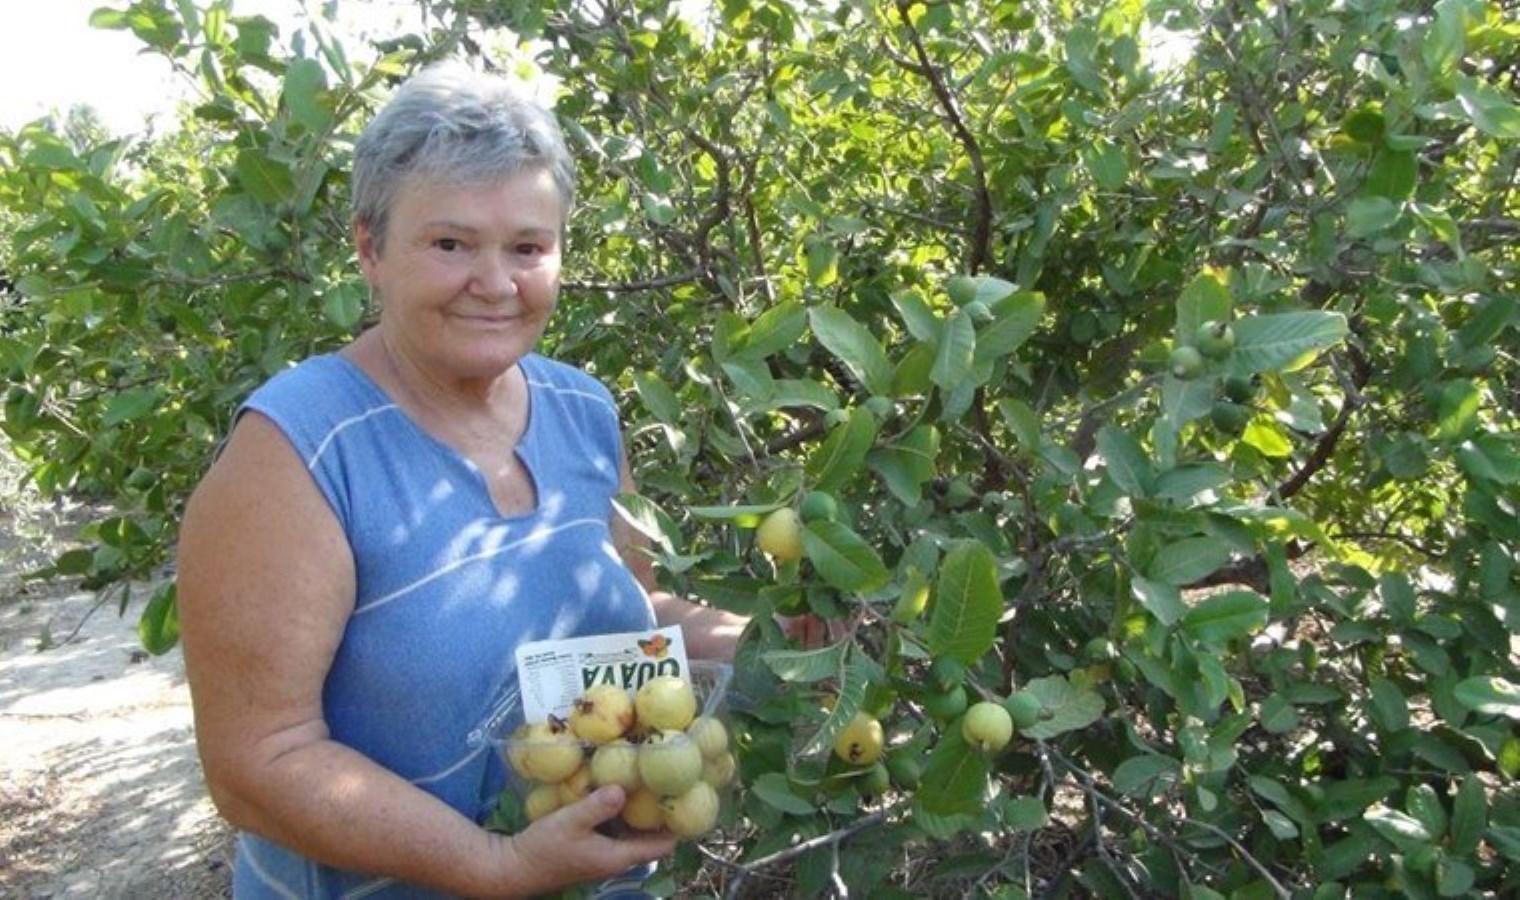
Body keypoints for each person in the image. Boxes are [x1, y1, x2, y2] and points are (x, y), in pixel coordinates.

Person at [177, 60, 760, 898]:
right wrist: (494, 864)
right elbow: (257, 762)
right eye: (451, 244)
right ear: (370, 248)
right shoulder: (300, 451)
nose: (495, 284)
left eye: (528, 247)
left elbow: (625, 624)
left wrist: (770, 640)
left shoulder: (583, 411)